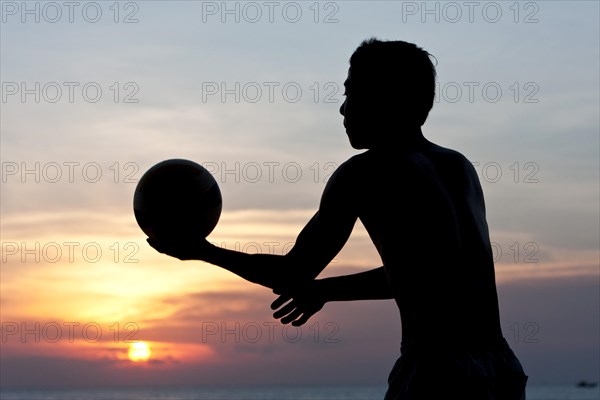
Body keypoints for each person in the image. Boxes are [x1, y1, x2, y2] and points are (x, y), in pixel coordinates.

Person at [148, 37, 528, 399]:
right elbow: (430, 274)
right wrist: (325, 291)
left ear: (386, 98)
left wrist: (203, 251)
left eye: (351, 93)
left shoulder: (364, 173)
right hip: (499, 366)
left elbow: (292, 274)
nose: (343, 109)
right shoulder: (458, 168)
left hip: (438, 370)